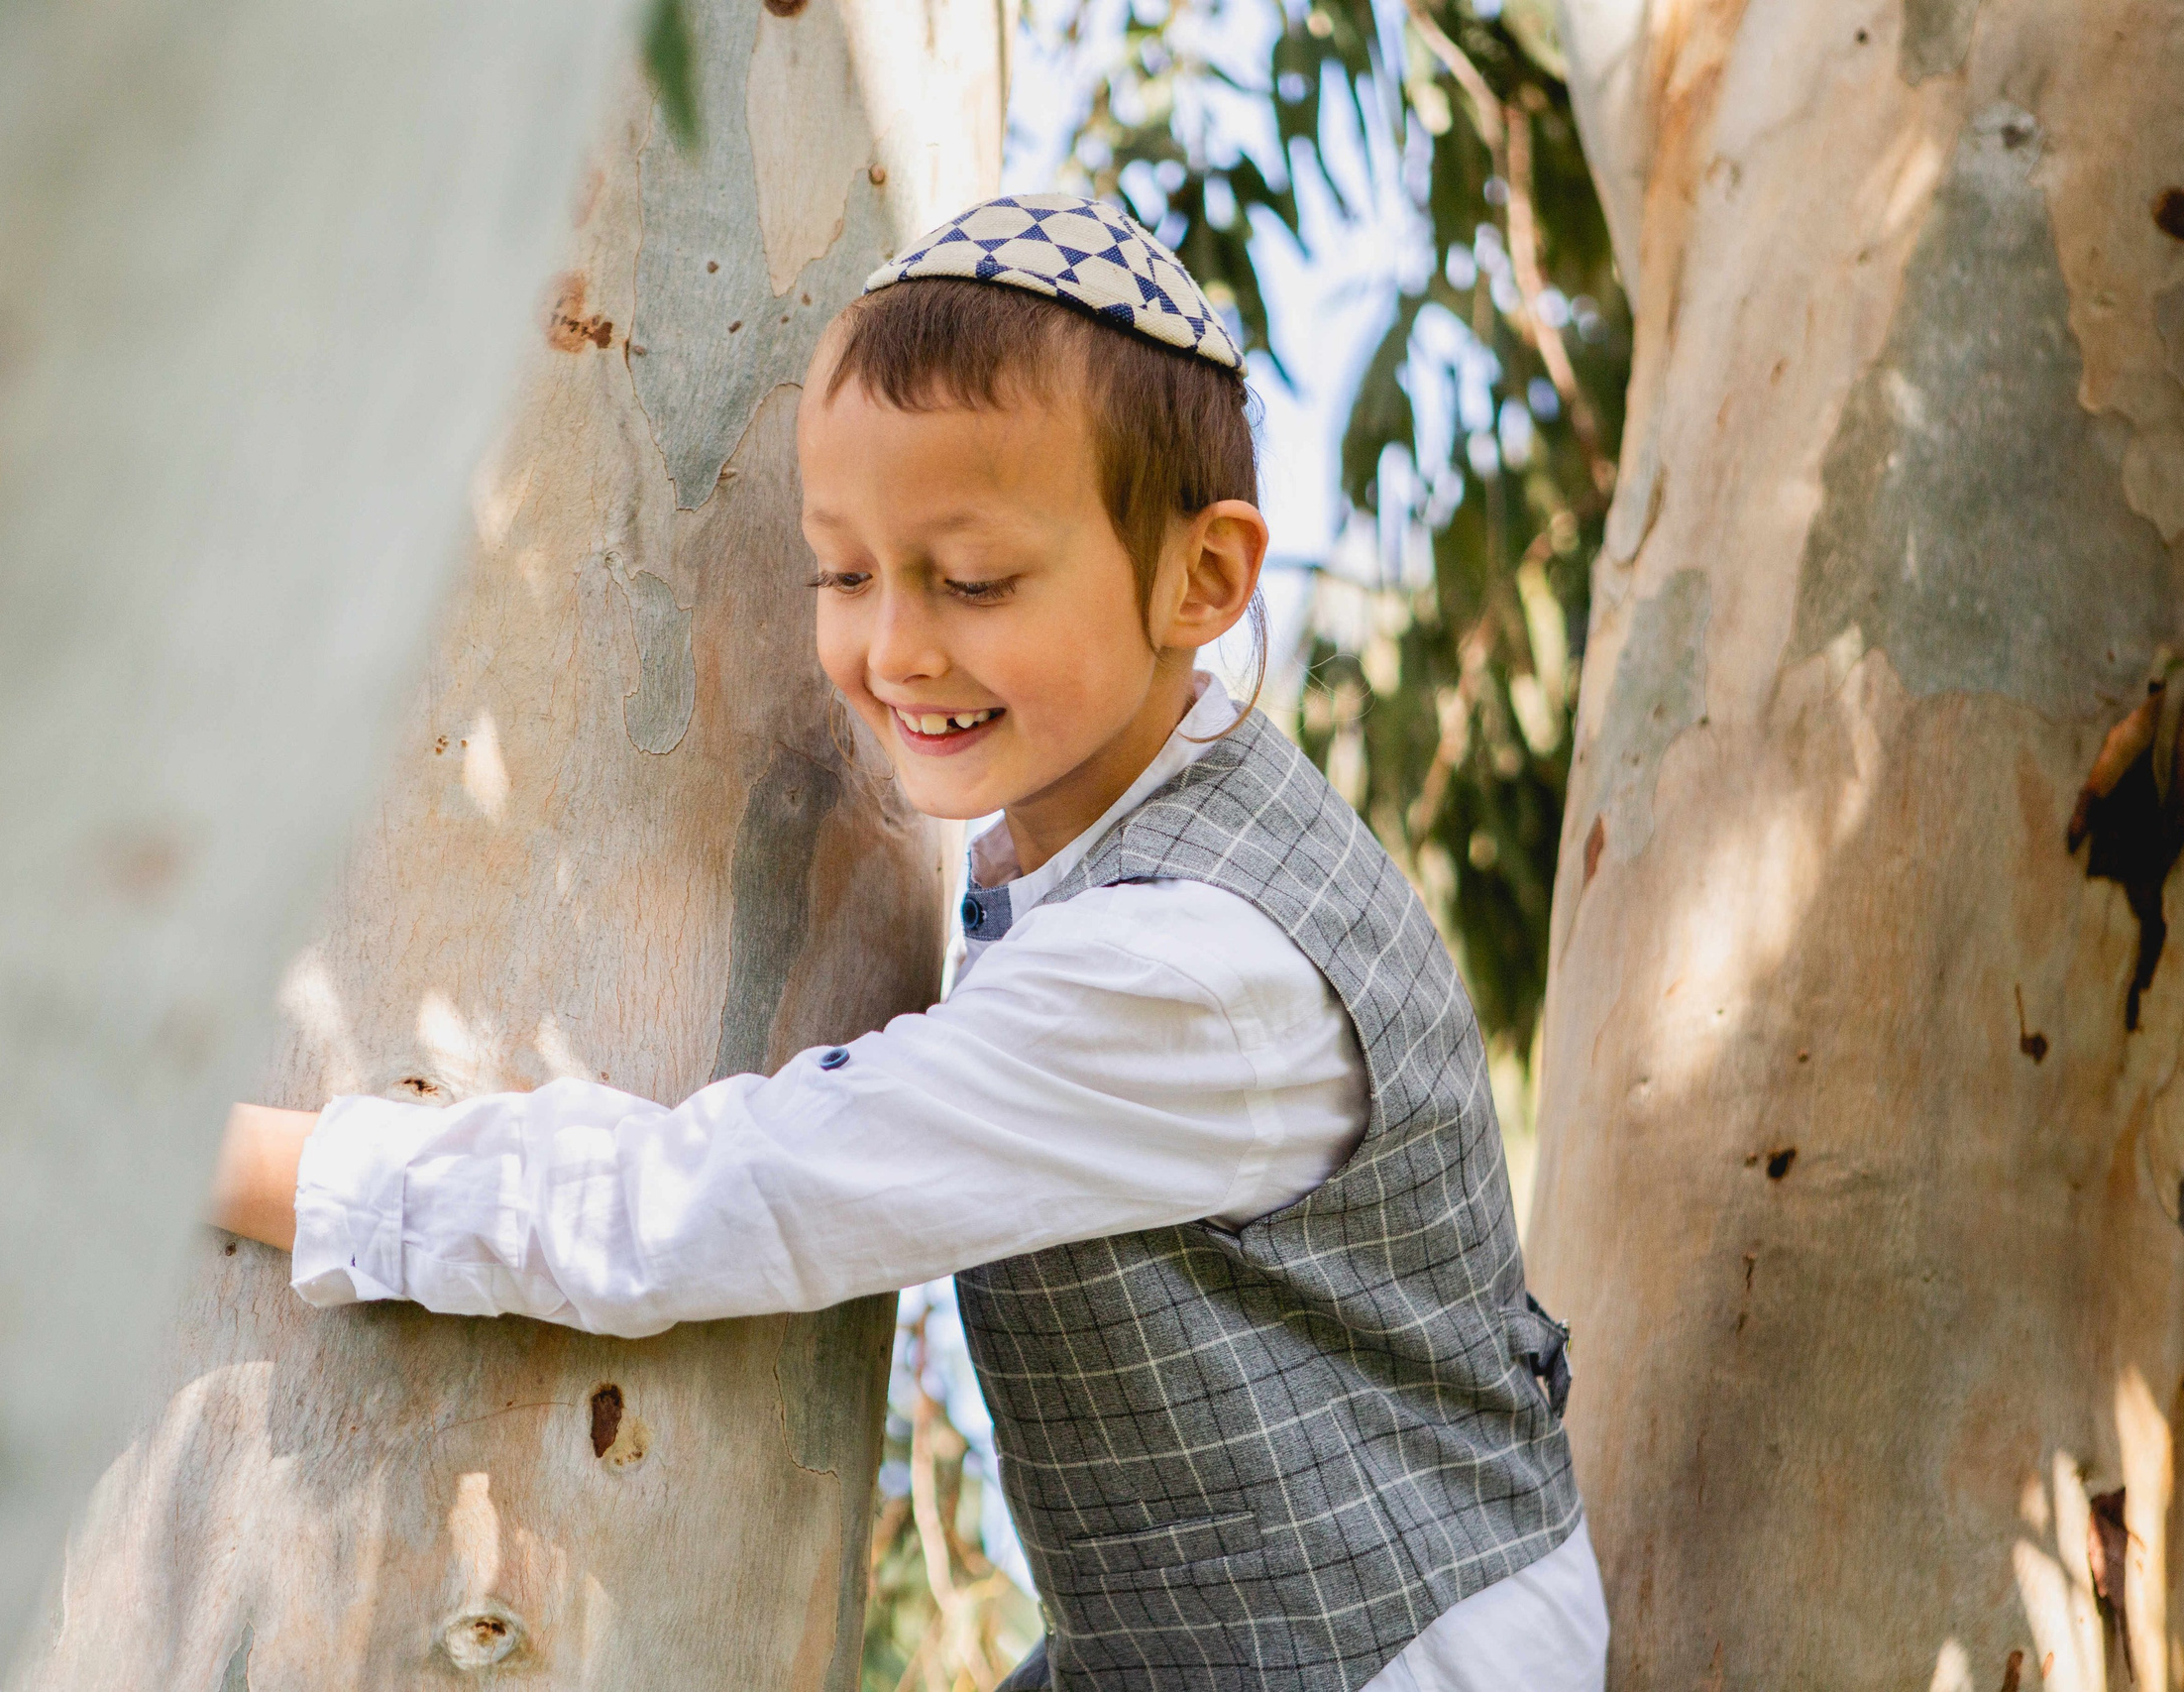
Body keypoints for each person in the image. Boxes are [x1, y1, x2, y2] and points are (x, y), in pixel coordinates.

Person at [210, 192, 1604, 1692]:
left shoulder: (1186, 970)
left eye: (976, 579)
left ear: (1201, 579)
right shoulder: (1122, 831)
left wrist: (240, 1163)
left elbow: (723, 1198)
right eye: (845, 571)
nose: (894, 650)